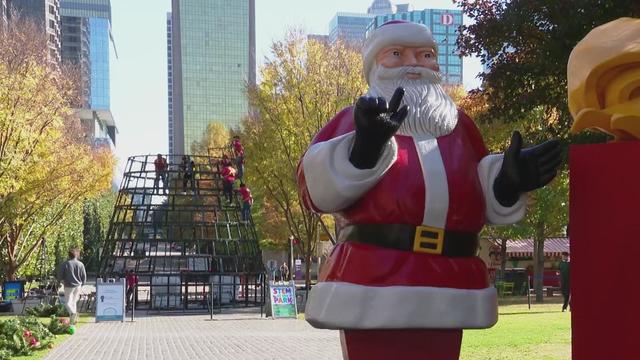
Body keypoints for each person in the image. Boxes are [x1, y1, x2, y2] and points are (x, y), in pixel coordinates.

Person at [296, 20, 562, 358]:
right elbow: (311, 186)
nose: (414, 63)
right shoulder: (357, 119)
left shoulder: (460, 126)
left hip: (449, 274)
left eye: (425, 55)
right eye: (397, 53)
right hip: (374, 273)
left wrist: (508, 182)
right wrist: (362, 149)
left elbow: (479, 191)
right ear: (376, 64)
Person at [56, 249, 86, 325]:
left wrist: (58, 283)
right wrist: (83, 284)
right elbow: (84, 276)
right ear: (76, 255)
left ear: (69, 255)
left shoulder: (65, 264)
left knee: (67, 303)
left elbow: (60, 275)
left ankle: (72, 314)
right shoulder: (80, 264)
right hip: (78, 285)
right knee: (74, 302)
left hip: (69, 285)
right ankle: (73, 320)